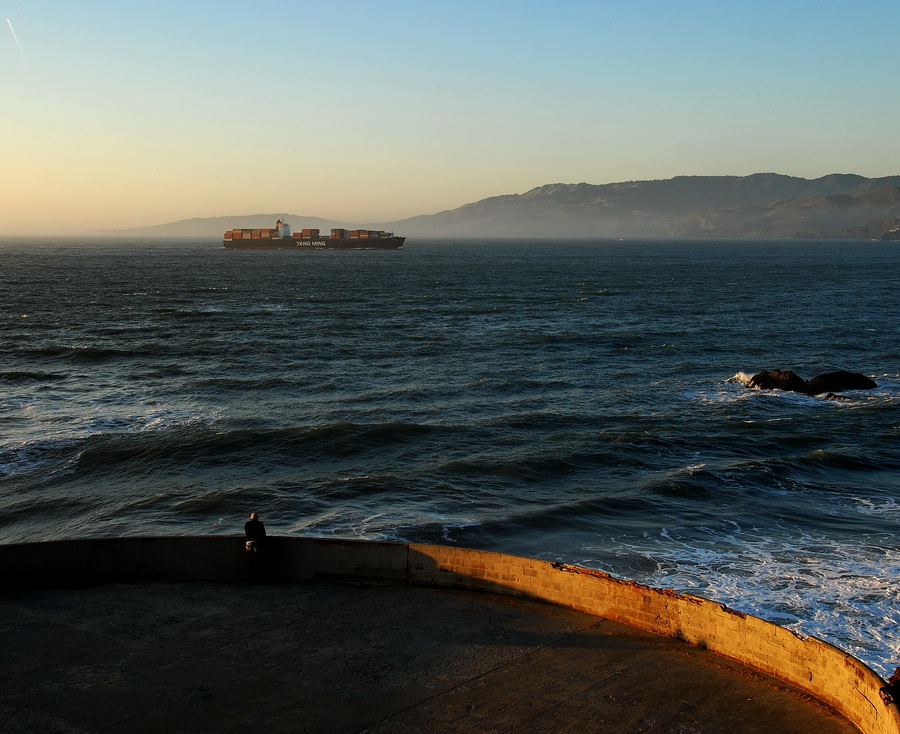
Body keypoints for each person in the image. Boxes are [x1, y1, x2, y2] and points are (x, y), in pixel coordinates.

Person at [244, 512, 266, 581]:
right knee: (256, 561)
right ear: (257, 518)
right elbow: (263, 534)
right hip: (256, 543)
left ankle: (249, 578)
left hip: (248, 543)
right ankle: (256, 578)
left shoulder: (247, 524)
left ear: (250, 518)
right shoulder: (260, 524)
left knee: (250, 560)